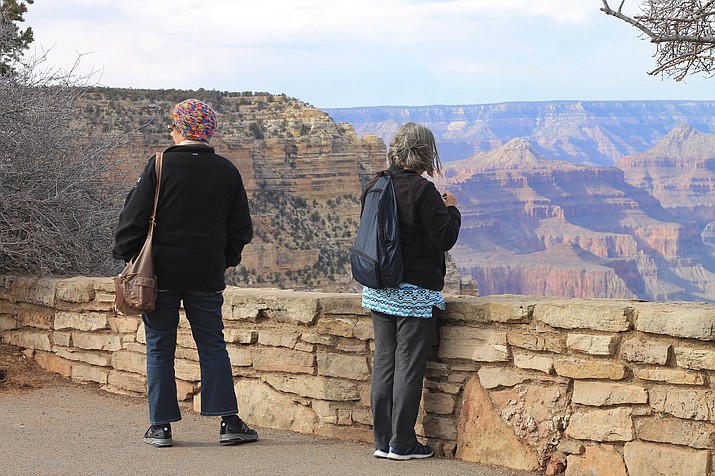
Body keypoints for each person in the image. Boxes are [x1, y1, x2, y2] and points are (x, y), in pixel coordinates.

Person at [112, 98, 257, 447]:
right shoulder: (227, 170)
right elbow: (241, 229)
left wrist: (129, 256)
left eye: (173, 125)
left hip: (159, 274)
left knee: (160, 347)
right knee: (212, 345)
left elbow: (131, 221)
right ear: (209, 131)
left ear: (180, 128)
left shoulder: (160, 165)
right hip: (206, 273)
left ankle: (160, 426)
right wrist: (223, 259)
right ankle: (229, 422)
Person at [361, 122, 461, 460]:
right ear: (424, 154)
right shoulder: (423, 190)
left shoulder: (375, 183)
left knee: (385, 363)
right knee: (408, 367)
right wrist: (451, 209)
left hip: (379, 288)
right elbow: (444, 238)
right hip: (414, 291)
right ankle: (402, 444)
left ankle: (382, 440)